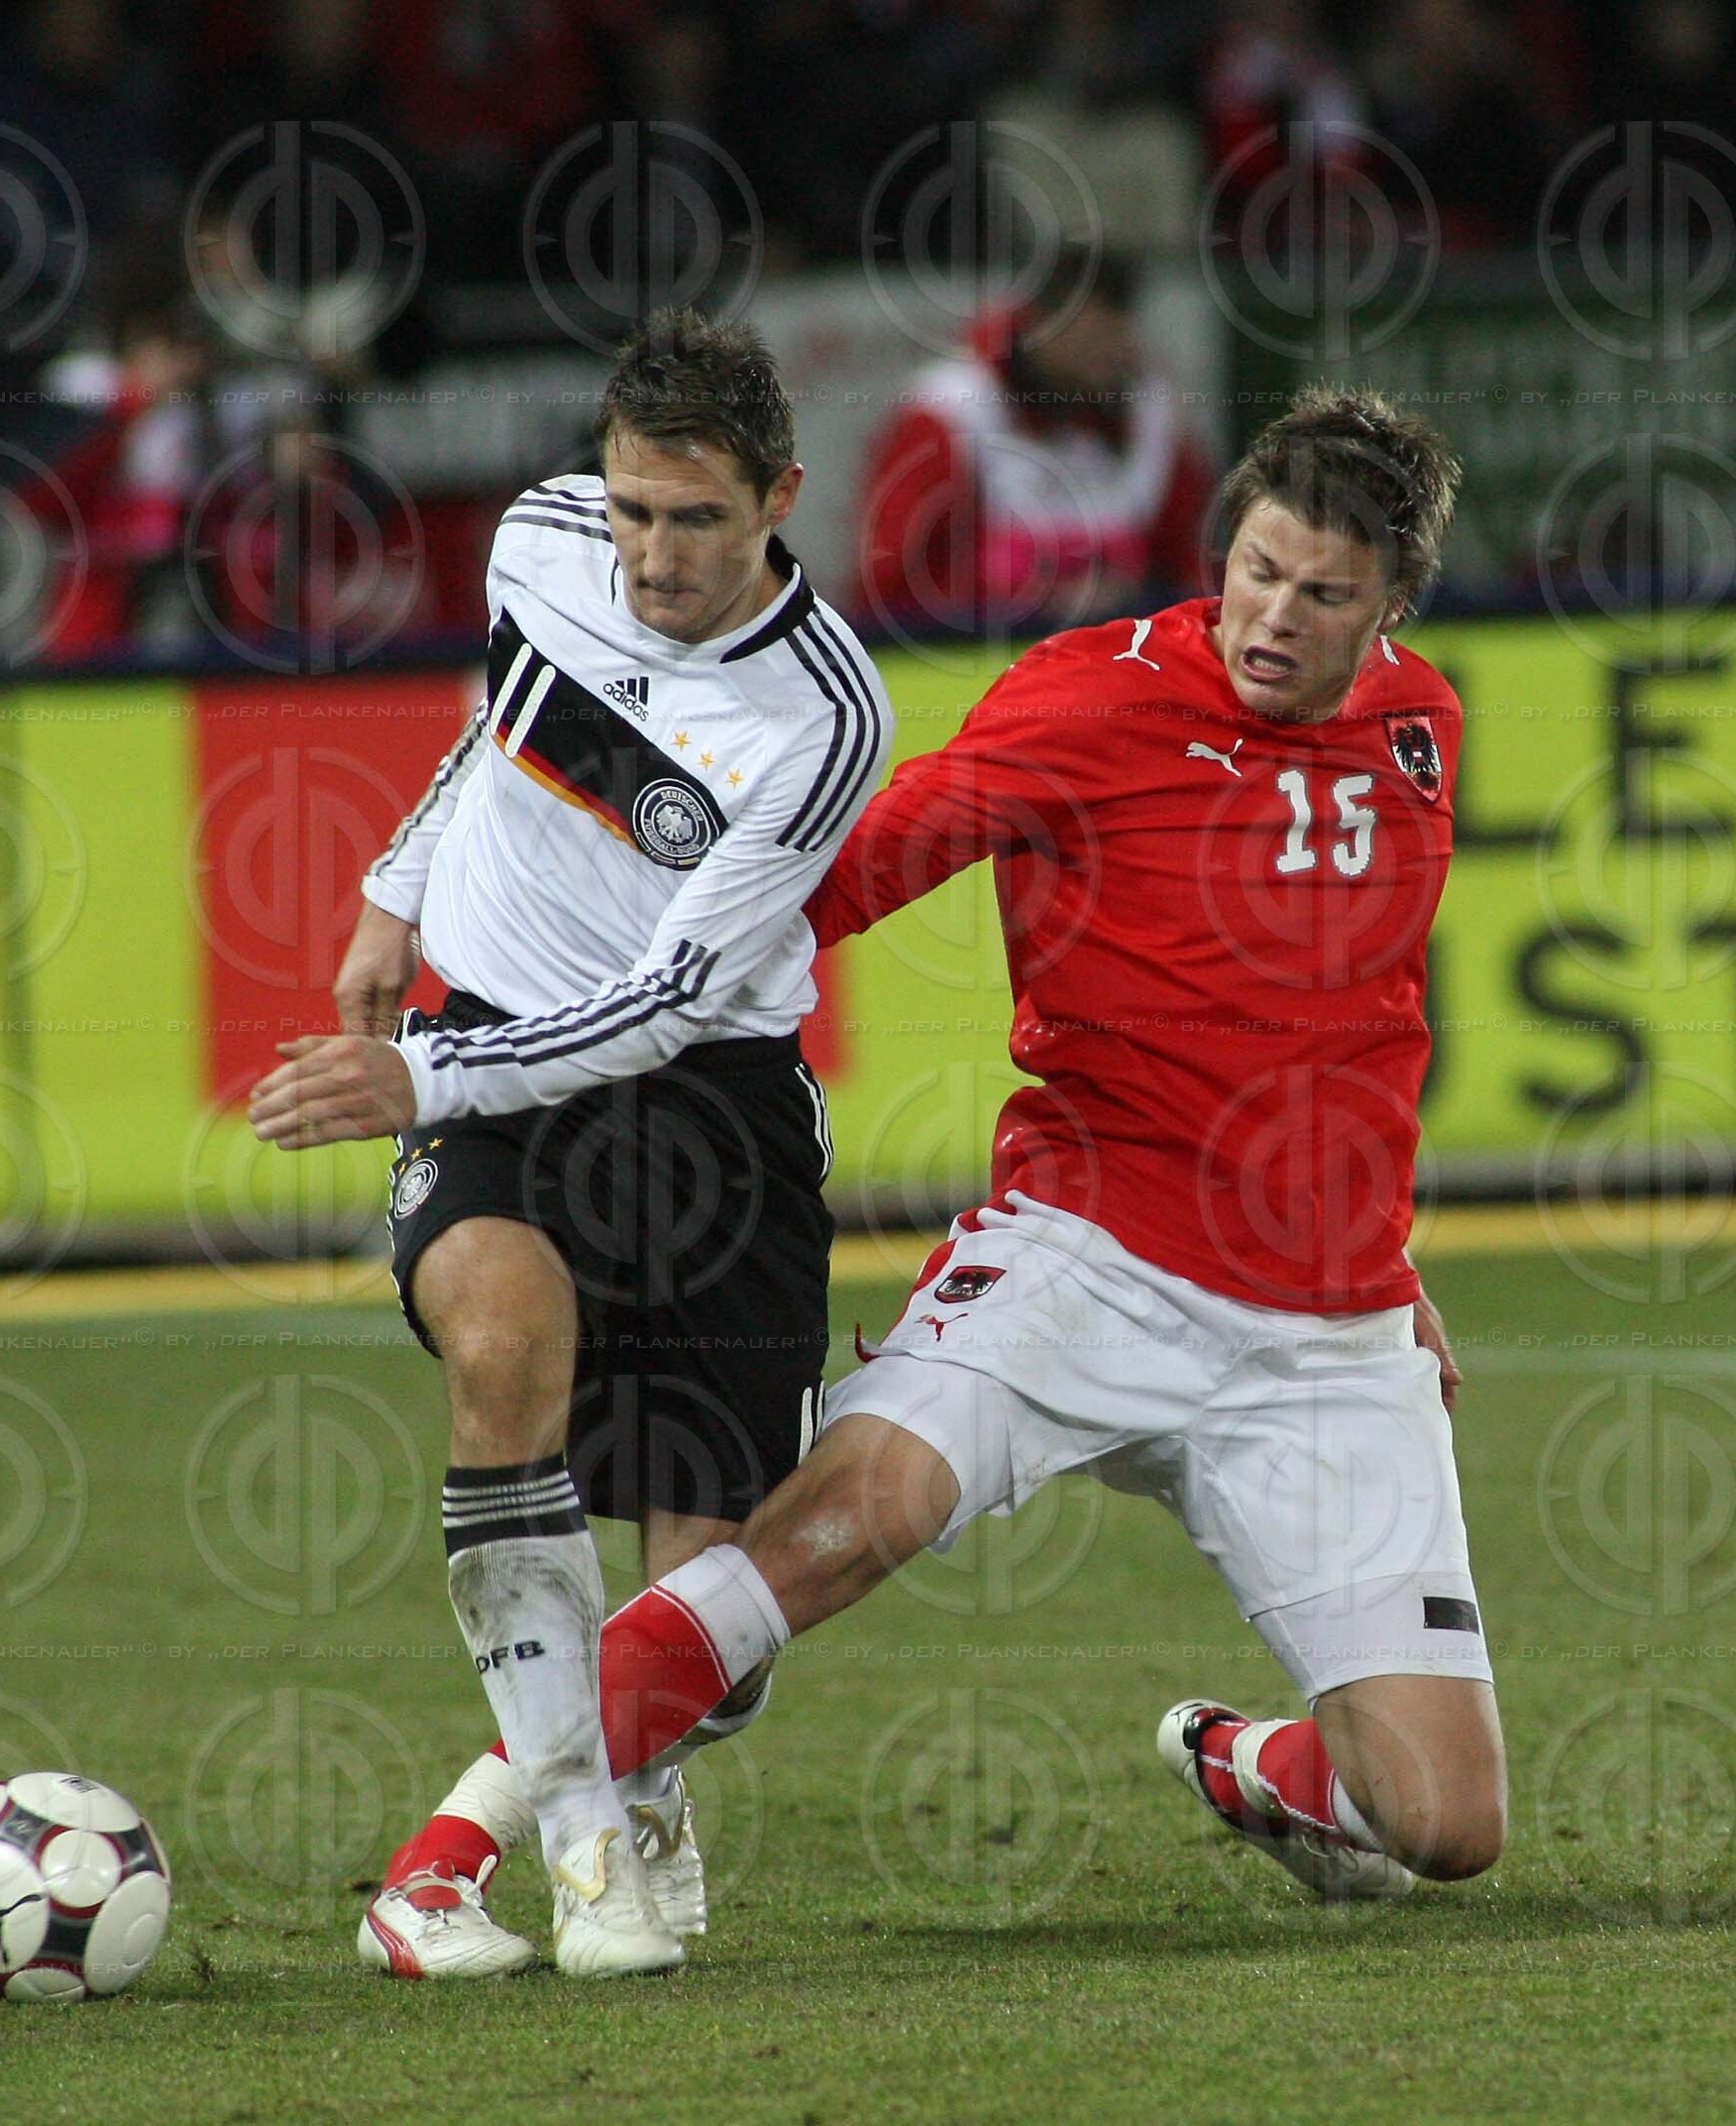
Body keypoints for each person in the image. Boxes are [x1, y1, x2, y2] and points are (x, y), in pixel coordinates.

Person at [376, 381, 1503, 1932]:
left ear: (1391, 611)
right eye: (1255, 568)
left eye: (1323, 596)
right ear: (1220, 546)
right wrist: (561, 1018)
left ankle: (1258, 1762)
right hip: (1085, 1257)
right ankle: (456, 1848)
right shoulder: (1087, 701)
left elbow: (1347, 1022)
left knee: (1444, 1828)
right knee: (825, 1537)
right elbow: (826, 886)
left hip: (1326, 1329)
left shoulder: (1423, 732)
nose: (1272, 617)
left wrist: (1390, 1253)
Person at [248, 308, 893, 1978]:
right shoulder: (539, 540)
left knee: (714, 1637)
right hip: (489, 1058)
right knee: (501, 1353)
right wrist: (402, 884)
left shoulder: (822, 720)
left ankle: (641, 1787)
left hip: (708, 1111)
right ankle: (580, 1846)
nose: (651, 555)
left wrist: (416, 1091)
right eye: (630, 510)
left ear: (777, 502)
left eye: (693, 520)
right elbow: (503, 712)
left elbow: (676, 995)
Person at [856, 246, 1213, 641]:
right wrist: (1032, 602)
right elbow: (891, 585)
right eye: (1092, 332)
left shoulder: (1151, 418)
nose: (1110, 349)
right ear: (1040, 324)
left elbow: (1187, 565)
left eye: (1118, 329)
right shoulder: (948, 414)